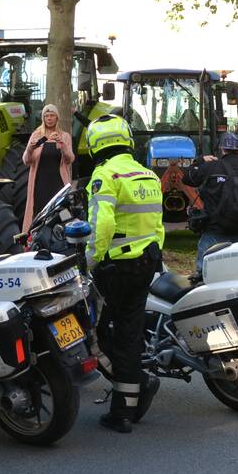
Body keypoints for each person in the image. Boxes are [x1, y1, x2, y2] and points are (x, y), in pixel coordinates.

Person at [85, 114, 165, 433]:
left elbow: (101, 226)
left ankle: (131, 397)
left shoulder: (105, 175)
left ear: (96, 144)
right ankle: (125, 411)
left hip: (115, 268)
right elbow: (157, 225)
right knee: (130, 336)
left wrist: (90, 261)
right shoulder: (146, 174)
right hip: (145, 264)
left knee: (97, 333)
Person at [182, 132, 238, 271]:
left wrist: (200, 160)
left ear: (222, 149)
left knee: (203, 276)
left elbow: (187, 178)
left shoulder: (211, 167)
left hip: (215, 234)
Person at [21, 104, 75, 234]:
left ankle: (62, 238)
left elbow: (70, 159)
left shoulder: (65, 136)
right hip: (40, 184)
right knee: (39, 213)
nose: (49, 118)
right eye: (46, 116)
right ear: (43, 118)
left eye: (52, 115)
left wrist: (62, 145)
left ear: (57, 118)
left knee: (61, 212)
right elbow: (26, 161)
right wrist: (30, 149)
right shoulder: (36, 135)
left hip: (58, 184)